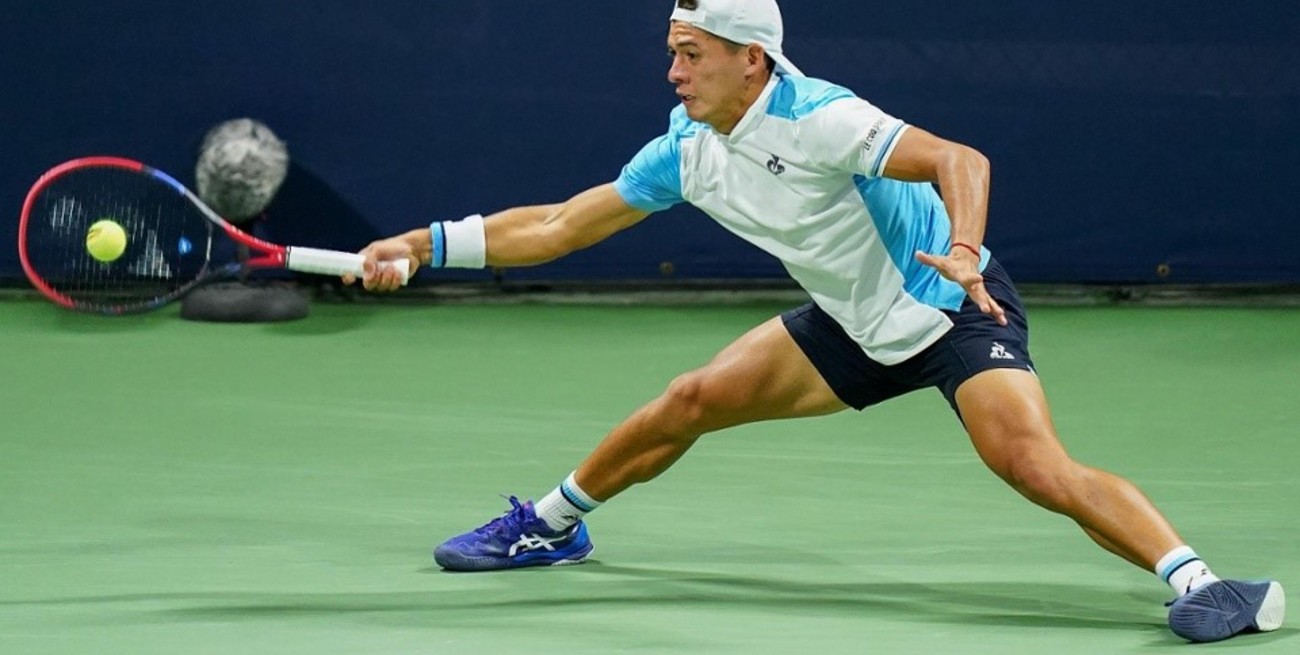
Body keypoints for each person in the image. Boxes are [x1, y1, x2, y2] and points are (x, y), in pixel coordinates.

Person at [345, 0, 1284, 643]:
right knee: (691, 399)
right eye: (671, 51)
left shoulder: (822, 119)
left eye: (690, 53)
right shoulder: (688, 149)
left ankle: (1203, 586)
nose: (671, 70)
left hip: (950, 307)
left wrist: (963, 249)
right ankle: (551, 526)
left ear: (750, 58)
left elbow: (963, 159)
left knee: (1034, 465)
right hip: (848, 323)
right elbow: (555, 226)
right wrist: (424, 246)